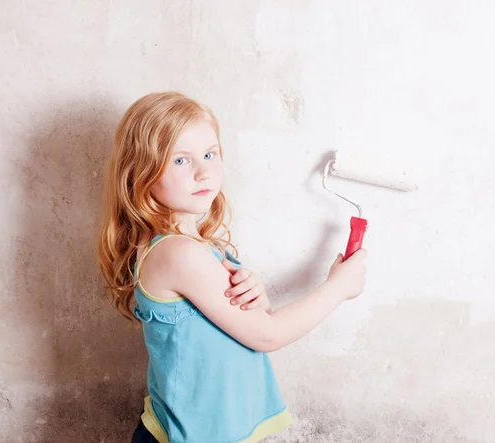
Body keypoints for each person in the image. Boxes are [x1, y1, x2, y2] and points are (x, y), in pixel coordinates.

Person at [97, 92, 368, 443]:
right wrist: (338, 287)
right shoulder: (178, 253)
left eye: (210, 154)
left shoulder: (197, 248)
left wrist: (257, 295)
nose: (202, 171)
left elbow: (247, 323)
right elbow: (267, 335)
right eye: (180, 161)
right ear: (140, 173)